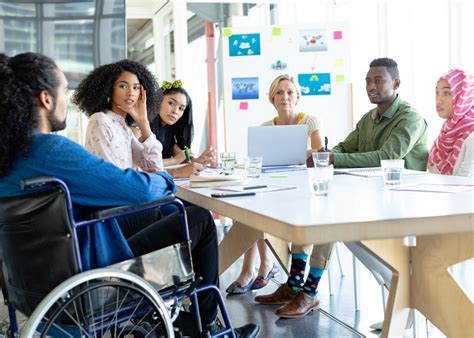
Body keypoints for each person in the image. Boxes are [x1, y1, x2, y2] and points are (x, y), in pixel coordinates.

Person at [0, 52, 259, 338]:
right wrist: (165, 179)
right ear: (46, 99)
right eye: (64, 90)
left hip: (31, 289)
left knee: (175, 212)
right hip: (95, 277)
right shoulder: (51, 151)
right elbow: (139, 190)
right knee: (196, 218)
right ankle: (206, 327)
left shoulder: (8, 158)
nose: (67, 99)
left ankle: (190, 320)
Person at [73, 60, 203, 178]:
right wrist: (174, 172)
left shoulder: (123, 127)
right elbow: (113, 176)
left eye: (135, 87)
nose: (131, 93)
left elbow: (154, 166)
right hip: (117, 202)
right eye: (123, 86)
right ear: (108, 89)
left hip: (130, 198)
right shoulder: (100, 119)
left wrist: (143, 122)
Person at [328, 57, 428, 170]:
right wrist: (328, 155)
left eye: (378, 81)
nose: (371, 87)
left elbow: (387, 158)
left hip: (404, 185)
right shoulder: (368, 118)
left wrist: (334, 159)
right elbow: (344, 147)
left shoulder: (411, 118)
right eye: (368, 81)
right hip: (370, 184)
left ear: (396, 84)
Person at [150, 80, 215, 170]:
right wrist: (175, 160)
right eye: (171, 103)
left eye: (181, 108)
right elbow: (147, 163)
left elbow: (183, 159)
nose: (175, 111)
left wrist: (200, 160)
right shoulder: (142, 127)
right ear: (158, 101)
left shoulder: (167, 130)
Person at [428, 69, 474, 176]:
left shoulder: (471, 134)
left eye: (446, 93)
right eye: (437, 93)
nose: (438, 100)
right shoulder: (446, 132)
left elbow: (466, 183)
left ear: (463, 97)